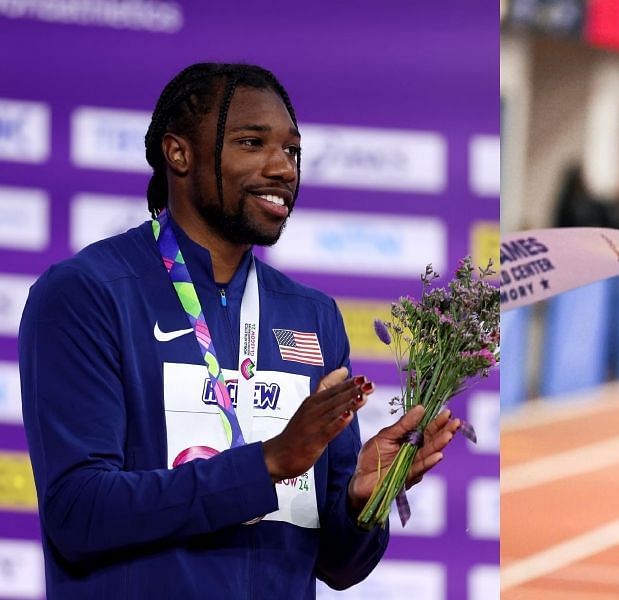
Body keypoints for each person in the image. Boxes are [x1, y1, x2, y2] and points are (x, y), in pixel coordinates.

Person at [18, 63, 462, 599]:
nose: (283, 168)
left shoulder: (311, 316)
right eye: (252, 143)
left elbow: (338, 568)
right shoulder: (88, 294)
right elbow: (79, 513)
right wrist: (268, 463)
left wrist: (361, 502)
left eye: (292, 151)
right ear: (178, 153)